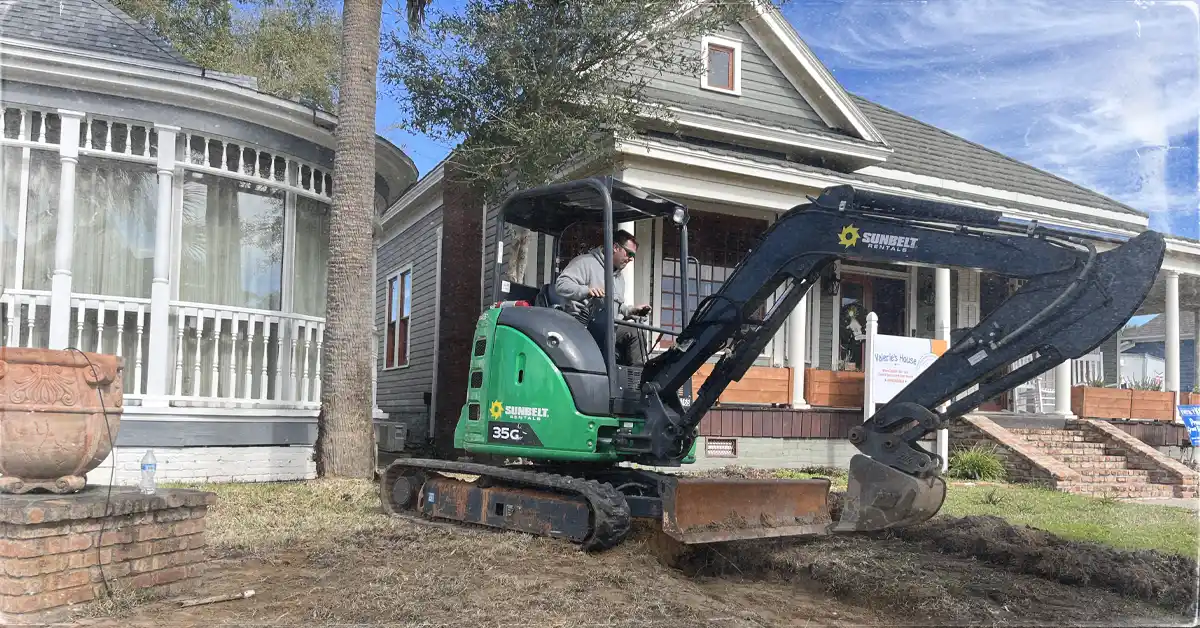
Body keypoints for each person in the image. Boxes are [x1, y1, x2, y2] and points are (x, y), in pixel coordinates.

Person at [554, 230, 653, 365]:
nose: (631, 259)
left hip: (607, 329)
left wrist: (630, 311)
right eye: (629, 253)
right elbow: (561, 284)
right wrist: (586, 291)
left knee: (636, 331)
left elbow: (615, 304)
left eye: (633, 255)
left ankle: (637, 381)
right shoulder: (585, 263)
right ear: (615, 247)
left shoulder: (619, 277)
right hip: (580, 327)